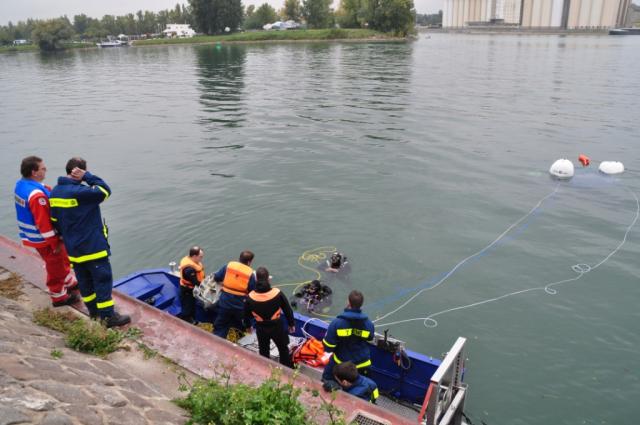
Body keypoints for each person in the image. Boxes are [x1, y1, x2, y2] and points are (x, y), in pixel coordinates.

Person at [49, 157, 130, 328]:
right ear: (79, 171)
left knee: (85, 282)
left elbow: (55, 220)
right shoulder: (81, 192)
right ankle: (108, 317)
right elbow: (105, 190)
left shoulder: (55, 192)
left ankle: (94, 313)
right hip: (93, 248)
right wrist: (87, 176)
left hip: (74, 249)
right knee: (102, 280)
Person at [14, 156, 78, 307]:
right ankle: (58, 296)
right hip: (44, 239)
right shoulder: (37, 197)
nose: (45, 170)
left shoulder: (21, 185)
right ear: (34, 172)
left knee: (61, 260)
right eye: (43, 168)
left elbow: (41, 188)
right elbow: (44, 224)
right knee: (55, 264)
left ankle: (68, 280)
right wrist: (55, 243)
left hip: (32, 235)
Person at [322, 290, 375, 389]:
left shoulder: (337, 323)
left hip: (341, 364)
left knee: (327, 378)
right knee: (361, 388)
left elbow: (328, 347)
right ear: (361, 304)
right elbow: (370, 338)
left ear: (348, 302)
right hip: (363, 364)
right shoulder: (368, 324)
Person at [245, 267, 295, 368]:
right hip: (277, 326)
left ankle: (265, 369)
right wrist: (291, 324)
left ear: (256, 279)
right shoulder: (277, 293)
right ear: (268, 279)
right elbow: (287, 310)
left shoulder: (250, 297)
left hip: (261, 327)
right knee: (283, 349)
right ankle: (286, 369)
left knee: (263, 350)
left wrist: (248, 326)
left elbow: (246, 314)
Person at [212, 250, 255, 339]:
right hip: (239, 306)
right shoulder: (250, 273)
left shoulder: (229, 265)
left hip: (225, 302)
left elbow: (217, 277)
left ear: (239, 258)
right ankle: (241, 338)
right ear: (249, 262)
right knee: (242, 324)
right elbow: (253, 292)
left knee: (221, 325)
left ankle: (218, 342)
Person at [178, 246, 205, 324]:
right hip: (187, 290)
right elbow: (195, 282)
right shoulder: (189, 270)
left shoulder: (193, 262)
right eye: (200, 257)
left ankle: (192, 318)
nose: (202, 258)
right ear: (194, 256)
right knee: (187, 306)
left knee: (192, 305)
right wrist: (205, 286)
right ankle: (186, 321)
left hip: (192, 289)